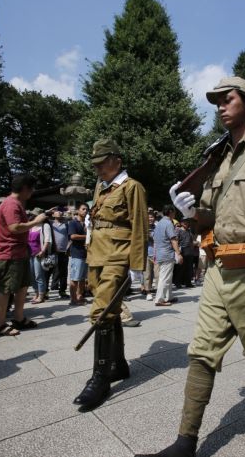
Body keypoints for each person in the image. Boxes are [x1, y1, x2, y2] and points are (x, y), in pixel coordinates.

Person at [145, 76, 245, 457]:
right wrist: (191, 211)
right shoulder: (221, 159)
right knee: (202, 351)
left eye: (227, 100)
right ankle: (185, 441)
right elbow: (211, 216)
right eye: (217, 104)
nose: (220, 108)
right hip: (217, 270)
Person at [73, 138, 147, 410]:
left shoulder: (132, 187)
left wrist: (137, 266)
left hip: (118, 255)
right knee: (111, 310)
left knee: (100, 313)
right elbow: (95, 222)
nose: (98, 169)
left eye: (102, 163)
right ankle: (119, 365)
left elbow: (139, 226)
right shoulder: (101, 187)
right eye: (95, 164)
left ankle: (100, 379)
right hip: (97, 255)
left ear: (117, 159)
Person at [0, 174, 47, 336]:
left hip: (19, 252)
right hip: (9, 253)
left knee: (22, 286)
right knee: (6, 289)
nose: (32, 192)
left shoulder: (15, 204)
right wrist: (36, 222)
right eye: (32, 188)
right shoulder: (11, 204)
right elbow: (14, 228)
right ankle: (0, 325)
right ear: (25, 188)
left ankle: (19, 318)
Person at [152, 205, 182, 306]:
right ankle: (159, 299)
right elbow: (173, 239)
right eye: (174, 212)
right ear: (170, 212)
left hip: (160, 253)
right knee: (164, 277)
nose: (175, 214)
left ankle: (169, 296)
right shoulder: (169, 223)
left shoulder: (159, 223)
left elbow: (155, 240)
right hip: (167, 253)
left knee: (167, 276)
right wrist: (178, 253)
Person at [68, 203, 89, 305]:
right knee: (75, 278)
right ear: (78, 210)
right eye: (83, 209)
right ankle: (73, 299)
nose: (85, 211)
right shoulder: (73, 223)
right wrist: (87, 237)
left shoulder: (87, 223)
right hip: (77, 254)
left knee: (82, 278)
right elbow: (73, 236)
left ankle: (79, 296)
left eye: (86, 209)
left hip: (86, 254)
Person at [50, 210, 70, 298]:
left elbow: (70, 237)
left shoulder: (66, 224)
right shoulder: (50, 224)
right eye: (57, 212)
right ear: (53, 214)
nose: (60, 213)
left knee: (63, 272)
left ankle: (62, 291)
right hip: (52, 251)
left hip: (64, 252)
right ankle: (47, 291)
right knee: (50, 271)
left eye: (61, 212)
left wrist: (68, 248)